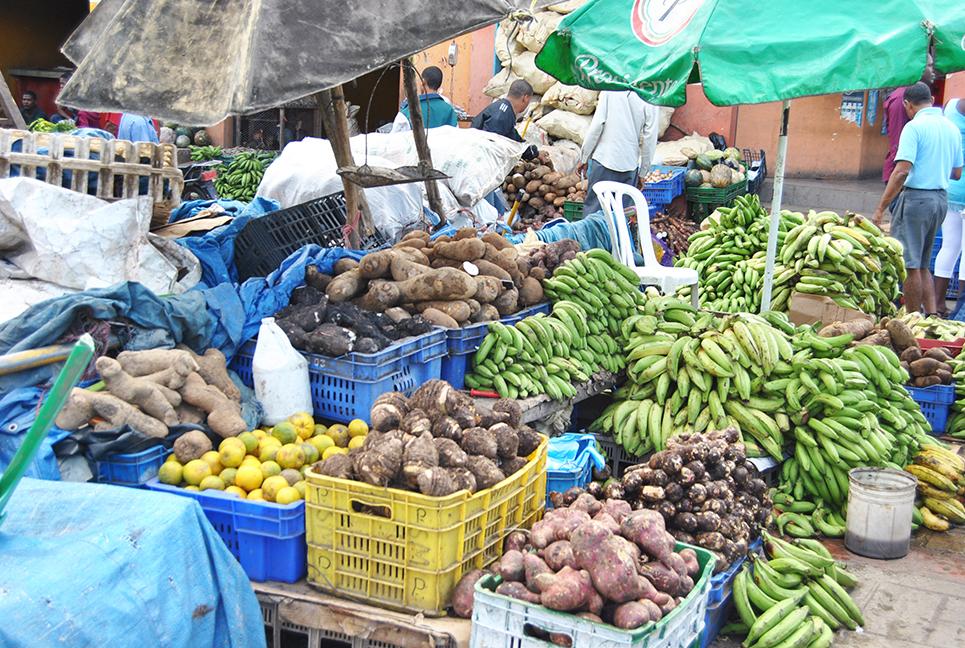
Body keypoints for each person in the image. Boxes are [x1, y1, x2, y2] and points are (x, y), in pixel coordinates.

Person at [874, 82, 963, 315]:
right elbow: (957, 173)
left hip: (916, 200)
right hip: (940, 200)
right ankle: (931, 315)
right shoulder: (951, 127)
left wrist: (881, 207)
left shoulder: (914, 128)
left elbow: (901, 171)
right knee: (923, 264)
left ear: (907, 105)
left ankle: (913, 318)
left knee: (910, 264)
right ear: (931, 101)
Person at [578, 91, 660, 216]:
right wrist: (643, 172)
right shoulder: (651, 95)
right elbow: (650, 139)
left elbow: (597, 126)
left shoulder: (610, 89)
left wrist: (584, 157)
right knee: (622, 217)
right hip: (629, 165)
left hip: (604, 160)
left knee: (593, 214)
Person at [471, 80, 538, 213]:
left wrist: (529, 151)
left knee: (494, 207)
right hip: (483, 170)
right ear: (525, 98)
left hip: (483, 170)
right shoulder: (502, 114)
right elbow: (493, 142)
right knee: (486, 209)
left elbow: (512, 136)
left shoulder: (502, 109)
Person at [932, 97, 965, 315]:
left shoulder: (951, 105)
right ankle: (961, 309)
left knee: (949, 246)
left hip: (950, 185)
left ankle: (938, 303)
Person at [390, 66, 458, 133]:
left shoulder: (408, 111)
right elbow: (456, 136)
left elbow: (395, 138)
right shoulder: (450, 111)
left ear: (423, 82)